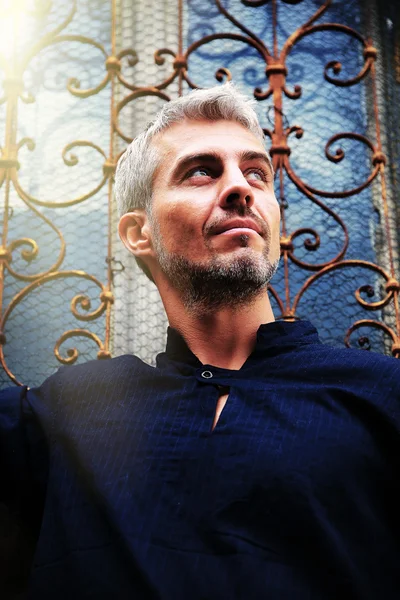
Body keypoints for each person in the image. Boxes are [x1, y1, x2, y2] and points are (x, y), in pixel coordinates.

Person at [0, 83, 399, 600]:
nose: (241, 188)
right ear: (139, 234)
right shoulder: (72, 408)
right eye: (202, 171)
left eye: (256, 172)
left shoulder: (381, 393)